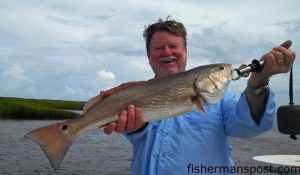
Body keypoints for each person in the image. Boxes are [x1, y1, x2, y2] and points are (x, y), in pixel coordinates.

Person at [101, 17, 296, 175]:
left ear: (185, 51)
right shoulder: (134, 95)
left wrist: (258, 82)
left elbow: (247, 127)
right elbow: (134, 130)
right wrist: (135, 125)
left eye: (174, 46)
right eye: (158, 48)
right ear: (148, 55)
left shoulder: (222, 100)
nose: (167, 52)